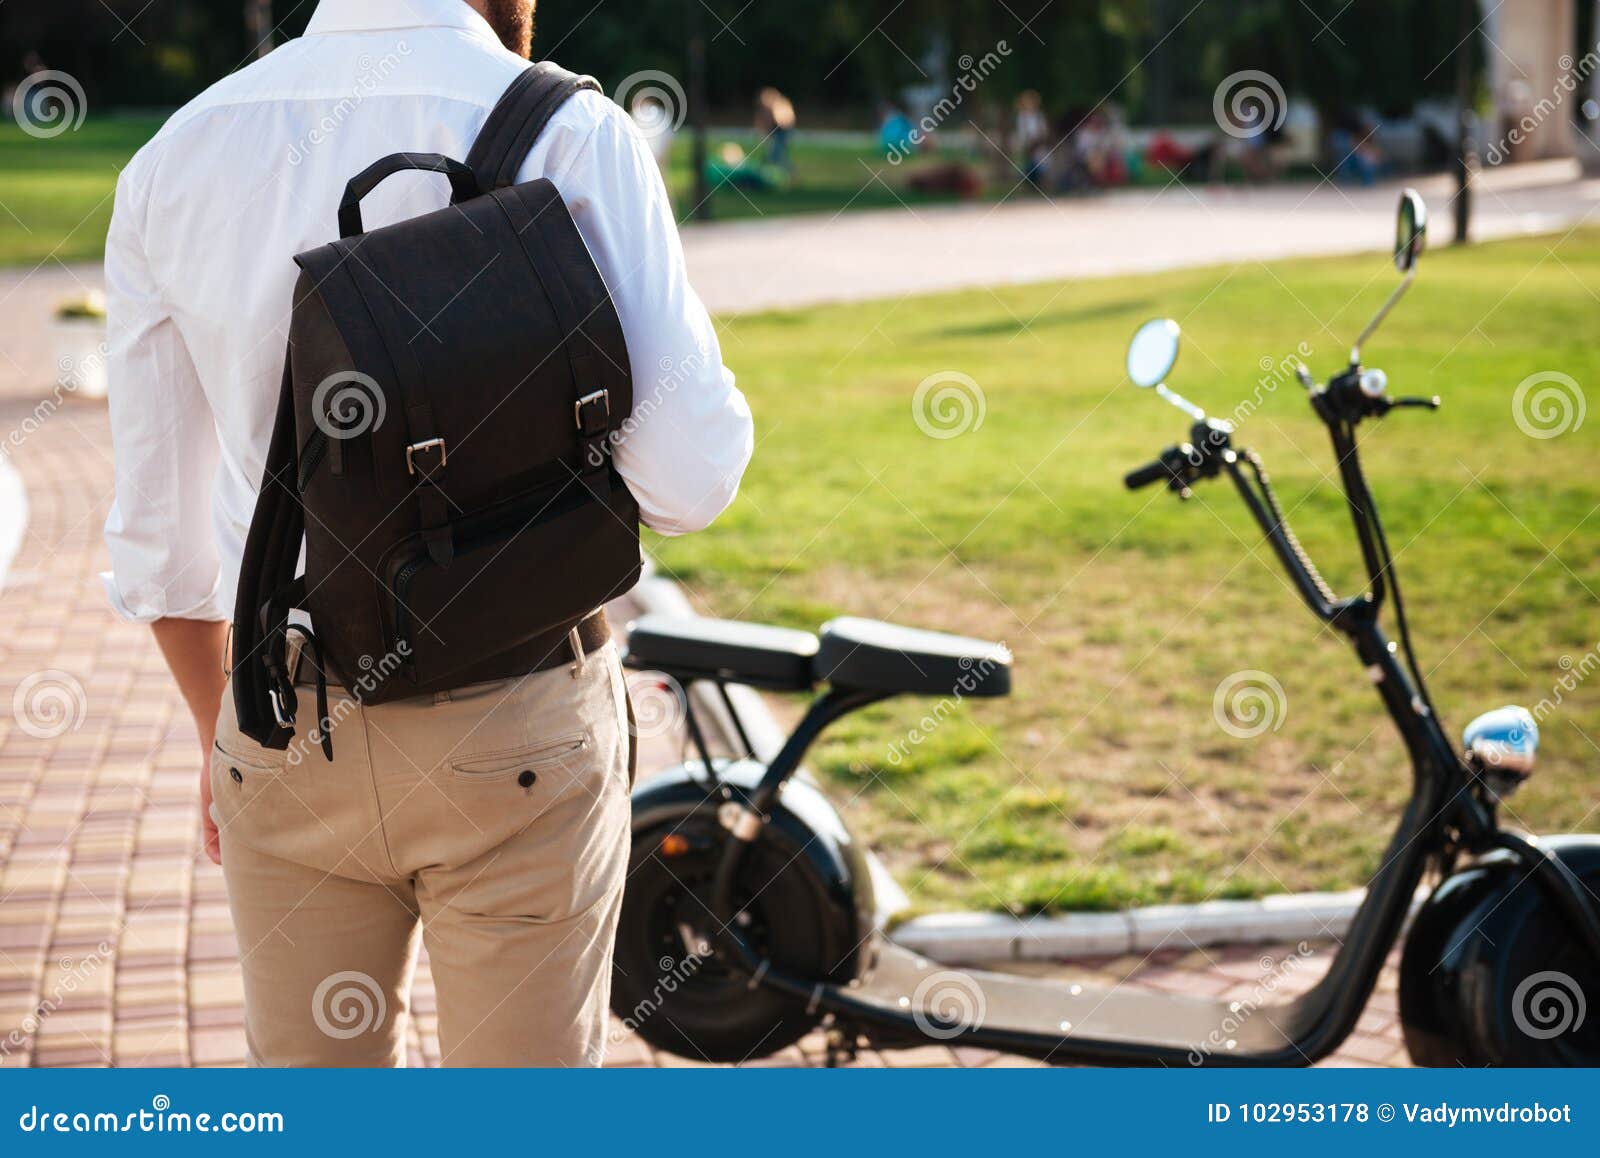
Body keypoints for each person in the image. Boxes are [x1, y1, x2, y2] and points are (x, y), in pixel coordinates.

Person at [101, 0, 753, 1067]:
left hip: (281, 726)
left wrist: (229, 739)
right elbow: (690, 480)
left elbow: (160, 548)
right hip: (517, 718)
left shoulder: (176, 157)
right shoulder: (568, 132)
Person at [754, 86, 795, 176]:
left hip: (782, 131)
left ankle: (789, 174)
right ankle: (763, 171)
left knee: (776, 153)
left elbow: (785, 121)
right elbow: (762, 123)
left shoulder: (781, 105)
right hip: (776, 131)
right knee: (774, 153)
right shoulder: (767, 109)